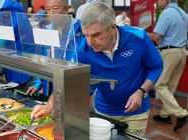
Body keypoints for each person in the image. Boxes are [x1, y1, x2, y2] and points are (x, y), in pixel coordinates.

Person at [31, 2, 164, 136]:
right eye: (86, 35)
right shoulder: (83, 49)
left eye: (95, 35)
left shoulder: (139, 38)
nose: (90, 42)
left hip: (136, 113)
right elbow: (69, 81)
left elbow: (157, 66)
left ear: (112, 28)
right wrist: (49, 105)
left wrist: (141, 91)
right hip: (103, 111)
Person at [148, 0, 188, 131]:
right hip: (182, 51)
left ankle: (181, 113)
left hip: (170, 52)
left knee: (159, 83)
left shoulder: (167, 13)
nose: (158, 1)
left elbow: (156, 37)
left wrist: (140, 33)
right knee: (171, 85)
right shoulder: (183, 13)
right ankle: (165, 115)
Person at [26, 0, 75, 97]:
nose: (51, 13)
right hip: (51, 83)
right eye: (48, 9)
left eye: (55, 9)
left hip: (71, 83)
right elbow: (43, 60)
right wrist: (37, 83)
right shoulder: (47, 30)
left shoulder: (77, 30)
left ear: (66, 9)